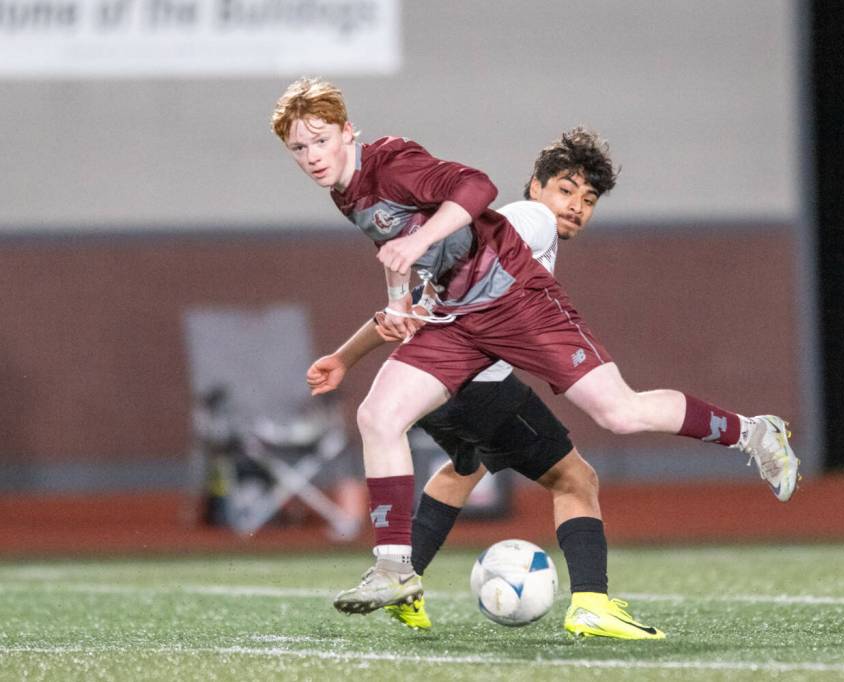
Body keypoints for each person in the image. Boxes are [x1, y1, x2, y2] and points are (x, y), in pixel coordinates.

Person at [270, 77, 799, 629]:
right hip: (459, 322)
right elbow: (396, 249)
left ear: (347, 132)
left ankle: (754, 432)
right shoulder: (346, 190)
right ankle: (395, 567)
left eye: (321, 141)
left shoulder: (424, 175)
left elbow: (475, 187)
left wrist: (419, 254)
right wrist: (396, 303)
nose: (312, 156)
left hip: (514, 303)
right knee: (378, 416)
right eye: (299, 149)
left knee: (619, 413)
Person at [306, 127, 665, 639]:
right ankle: (593, 603)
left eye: (588, 200)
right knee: (575, 479)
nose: (575, 207)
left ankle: (406, 584)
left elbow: (420, 307)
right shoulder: (527, 219)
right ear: (535, 187)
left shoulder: (488, 240)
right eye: (565, 190)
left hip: (437, 391)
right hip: (479, 384)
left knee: (464, 468)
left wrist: (344, 356)